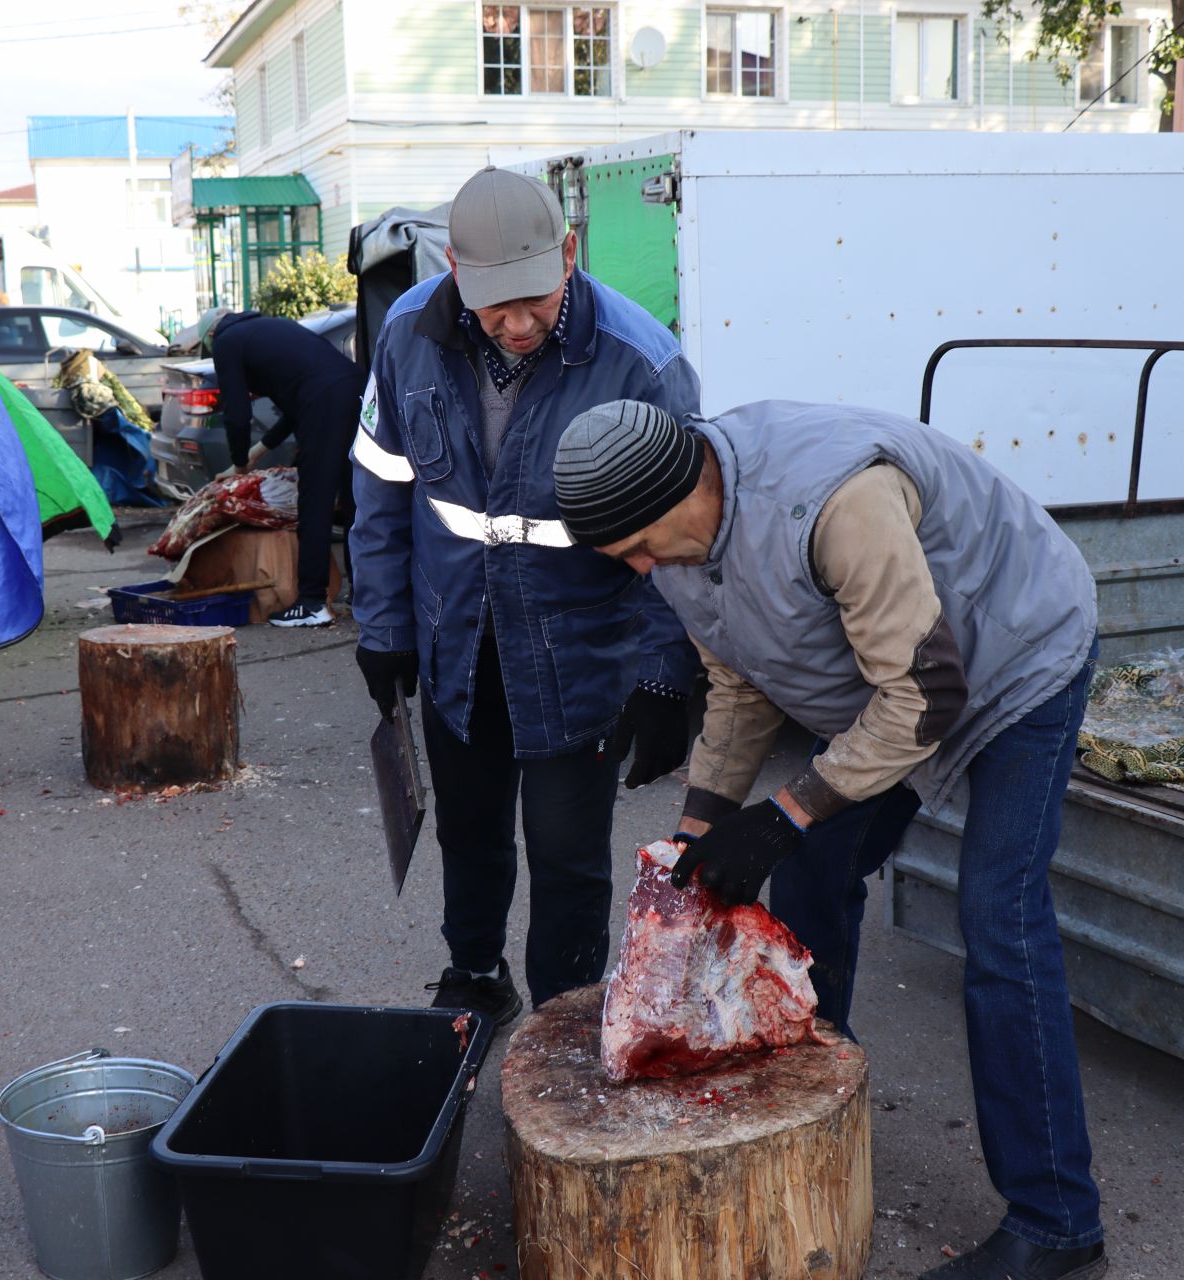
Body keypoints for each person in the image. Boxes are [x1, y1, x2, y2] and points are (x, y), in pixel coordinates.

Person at [553, 399, 1107, 1280]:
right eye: (626, 558)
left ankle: (1059, 1224)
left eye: (643, 547)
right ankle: (816, 1106)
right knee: (809, 870)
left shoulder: (836, 503)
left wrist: (785, 813)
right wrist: (696, 834)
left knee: (999, 917)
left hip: (1013, 658)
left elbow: (928, 697)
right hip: (886, 681)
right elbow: (739, 681)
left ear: (691, 479)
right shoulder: (668, 541)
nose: (644, 568)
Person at [349, 166, 702, 1026]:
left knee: (566, 851)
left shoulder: (640, 362)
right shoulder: (406, 335)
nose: (516, 323)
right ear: (456, 274)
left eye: (536, 299)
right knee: (468, 830)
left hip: (578, 652)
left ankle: (565, 1013)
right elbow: (381, 485)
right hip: (456, 639)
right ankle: (474, 973)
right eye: (494, 303)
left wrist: (668, 670)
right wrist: (384, 623)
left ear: (570, 254)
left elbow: (686, 531)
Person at [208, 309, 367, 626]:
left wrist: (239, 464)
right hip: (358, 389)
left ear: (210, 336)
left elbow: (237, 415)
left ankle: (311, 602)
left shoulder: (225, 341)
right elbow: (300, 402)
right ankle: (366, 594)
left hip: (325, 402)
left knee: (315, 501)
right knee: (356, 502)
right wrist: (256, 453)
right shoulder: (270, 328)